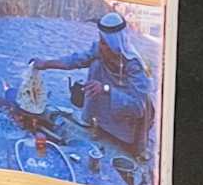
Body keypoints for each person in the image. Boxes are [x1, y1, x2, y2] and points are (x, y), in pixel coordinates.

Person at [30, 12, 156, 152]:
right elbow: (75, 60)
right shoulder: (100, 51)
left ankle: (118, 134)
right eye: (101, 41)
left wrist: (106, 89)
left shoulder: (134, 65)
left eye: (104, 43)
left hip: (128, 112)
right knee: (96, 64)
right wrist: (45, 64)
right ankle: (92, 119)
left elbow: (138, 107)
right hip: (109, 99)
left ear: (114, 44)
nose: (100, 46)